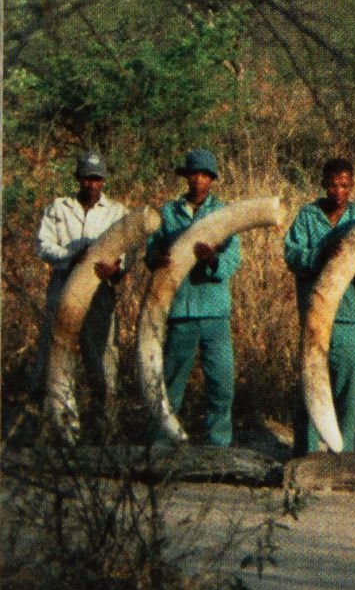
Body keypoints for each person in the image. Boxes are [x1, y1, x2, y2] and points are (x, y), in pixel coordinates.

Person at [145, 147, 241, 446]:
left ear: (212, 179)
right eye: (193, 174)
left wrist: (212, 260)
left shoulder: (225, 215)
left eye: (204, 174)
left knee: (221, 385)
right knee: (171, 383)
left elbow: (232, 260)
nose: (198, 180)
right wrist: (155, 258)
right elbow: (151, 252)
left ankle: (218, 447)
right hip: (181, 310)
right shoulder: (169, 213)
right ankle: (161, 445)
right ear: (186, 177)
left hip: (214, 311)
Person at [284, 156, 355, 454]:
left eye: (345, 185)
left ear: (352, 186)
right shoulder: (307, 217)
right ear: (324, 184)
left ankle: (342, 456)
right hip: (314, 316)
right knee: (311, 387)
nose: (338, 191)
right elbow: (292, 256)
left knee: (347, 391)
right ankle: (305, 454)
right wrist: (321, 252)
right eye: (333, 184)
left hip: (349, 317)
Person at [34, 150, 128, 425]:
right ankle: (64, 423)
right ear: (78, 179)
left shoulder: (117, 212)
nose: (92, 184)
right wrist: (69, 256)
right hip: (63, 288)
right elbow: (43, 245)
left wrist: (116, 268)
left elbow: (127, 250)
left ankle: (106, 422)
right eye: (87, 178)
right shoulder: (58, 208)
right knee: (58, 349)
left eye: (97, 178)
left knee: (101, 351)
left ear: (104, 181)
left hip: (99, 292)